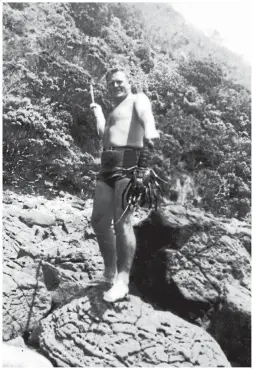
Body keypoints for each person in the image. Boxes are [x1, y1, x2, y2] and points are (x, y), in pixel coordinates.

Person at [90, 67, 159, 302]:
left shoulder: (137, 99)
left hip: (129, 161)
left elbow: (147, 117)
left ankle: (123, 280)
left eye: (119, 82)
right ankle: (109, 271)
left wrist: (150, 134)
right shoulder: (113, 109)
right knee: (99, 220)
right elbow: (105, 136)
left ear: (129, 82)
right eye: (111, 84)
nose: (115, 86)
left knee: (122, 222)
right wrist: (99, 114)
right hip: (107, 163)